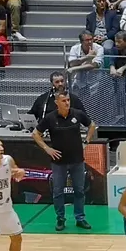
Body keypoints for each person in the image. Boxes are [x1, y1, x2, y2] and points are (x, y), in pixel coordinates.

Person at [32, 89, 97, 232]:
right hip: (59, 162)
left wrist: (86, 141)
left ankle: (80, 218)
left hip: (77, 160)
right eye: (63, 101)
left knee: (79, 190)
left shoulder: (77, 114)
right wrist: (47, 149)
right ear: (57, 103)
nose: (67, 103)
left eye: (68, 100)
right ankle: (60, 218)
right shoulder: (50, 118)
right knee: (58, 192)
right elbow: (36, 134)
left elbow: (92, 125)